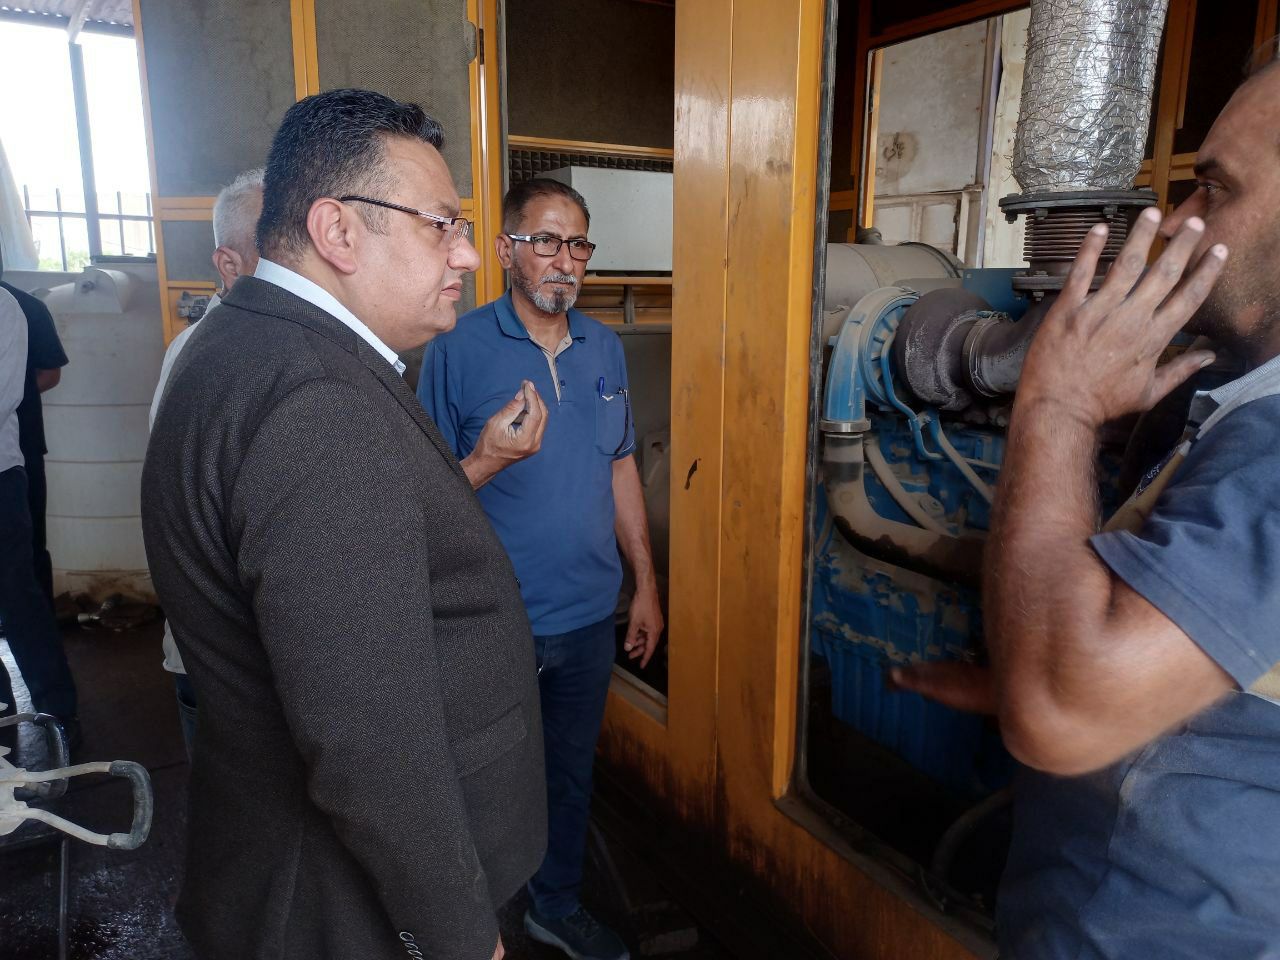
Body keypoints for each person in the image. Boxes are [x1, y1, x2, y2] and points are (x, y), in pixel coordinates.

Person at [141, 89, 547, 960]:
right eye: (442, 225)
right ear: (338, 231)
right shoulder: (319, 405)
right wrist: (457, 935)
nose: (467, 254)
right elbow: (370, 742)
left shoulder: (238, 341)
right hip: (337, 906)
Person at [892, 53, 1280, 959]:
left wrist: (1058, 404)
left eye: (1215, 189)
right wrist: (1021, 673)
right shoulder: (1233, 407)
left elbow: (1063, 714)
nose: (1177, 221)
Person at [419, 177, 663, 960]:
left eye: (578, 244)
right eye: (546, 241)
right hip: (493, 620)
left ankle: (554, 907)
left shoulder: (605, 348)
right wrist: (490, 457)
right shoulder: (456, 349)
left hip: (588, 617)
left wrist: (645, 586)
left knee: (569, 774)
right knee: (482, 778)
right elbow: (423, 496)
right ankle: (472, 928)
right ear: (504, 250)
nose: (566, 260)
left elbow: (620, 466)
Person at [148, 167, 263, 759]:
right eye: (276, 249)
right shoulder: (205, 359)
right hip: (227, 660)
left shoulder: (279, 345)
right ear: (229, 265)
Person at [0, 282, 77, 737]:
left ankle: (56, 710)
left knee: (18, 593)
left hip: (4, 473)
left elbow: (10, 391)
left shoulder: (9, 306)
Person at [1, 244, 69, 609]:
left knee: (27, 543)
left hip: (21, 448)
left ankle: (38, 619)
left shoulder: (26, 307)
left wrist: (14, 393)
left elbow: (50, 373)